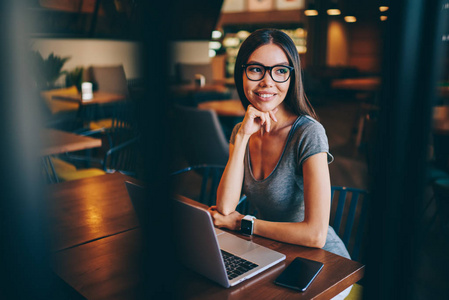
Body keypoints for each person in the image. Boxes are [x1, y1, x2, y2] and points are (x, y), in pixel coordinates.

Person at [208, 28, 351, 299]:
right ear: (241, 73)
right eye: (256, 70)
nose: (267, 82)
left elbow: (316, 234)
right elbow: (226, 207)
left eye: (280, 71)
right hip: (273, 251)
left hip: (322, 264)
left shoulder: (308, 133)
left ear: (292, 76)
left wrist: (244, 224)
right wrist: (242, 138)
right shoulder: (243, 129)